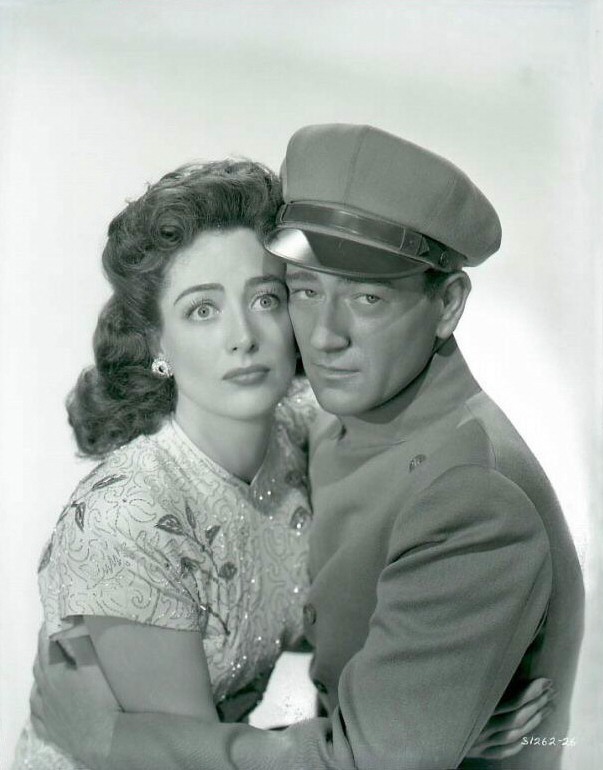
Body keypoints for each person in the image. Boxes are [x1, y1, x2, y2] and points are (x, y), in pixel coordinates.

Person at [28, 126, 579, 769]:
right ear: (156, 341)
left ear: (448, 304)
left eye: (367, 297)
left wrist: (411, 728)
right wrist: (401, 727)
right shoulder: (318, 429)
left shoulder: (465, 494)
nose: (324, 337)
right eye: (306, 291)